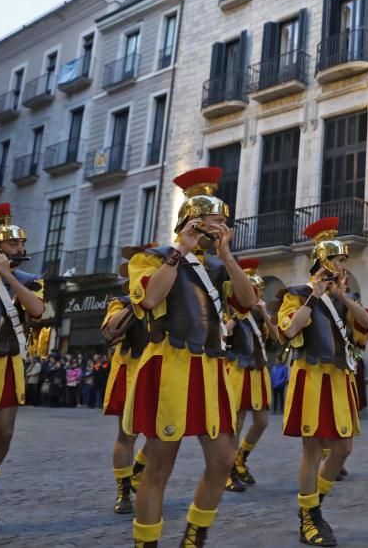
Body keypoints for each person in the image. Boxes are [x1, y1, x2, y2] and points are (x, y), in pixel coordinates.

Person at [122, 167, 258, 547]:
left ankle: (194, 536)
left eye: (223, 222)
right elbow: (150, 299)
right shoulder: (150, 258)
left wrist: (228, 255)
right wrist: (180, 251)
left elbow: (247, 302)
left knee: (222, 459)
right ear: (192, 220)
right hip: (170, 365)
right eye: (215, 220)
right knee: (159, 467)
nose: (221, 226)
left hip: (212, 368)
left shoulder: (218, 265)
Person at [278, 217, 368, 545]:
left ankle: (313, 505)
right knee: (313, 450)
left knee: (343, 448)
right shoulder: (297, 294)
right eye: (336, 260)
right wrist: (315, 295)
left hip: (339, 377)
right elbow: (290, 329)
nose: (341, 266)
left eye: (344, 261)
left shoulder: (343, 298)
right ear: (321, 262)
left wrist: (344, 297)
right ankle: (310, 515)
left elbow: (367, 324)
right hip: (312, 376)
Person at [0, 203, 46, 531]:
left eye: (22, 243)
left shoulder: (29, 279)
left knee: (4, 434)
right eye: (13, 244)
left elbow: (37, 310)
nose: (21, 248)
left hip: (7, 360)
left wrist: (8, 274)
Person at [101, 247, 150, 516]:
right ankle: (122, 490)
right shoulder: (120, 301)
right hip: (131, 367)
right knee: (127, 434)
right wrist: (136, 301)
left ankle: (138, 471)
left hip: (163, 368)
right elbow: (110, 329)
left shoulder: (170, 295)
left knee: (163, 434)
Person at [224, 259, 278, 494]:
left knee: (262, 420)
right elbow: (223, 334)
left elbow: (278, 338)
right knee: (237, 422)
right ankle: (228, 471)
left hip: (258, 370)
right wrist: (238, 315)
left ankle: (240, 457)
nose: (258, 294)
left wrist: (265, 314)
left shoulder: (260, 316)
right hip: (238, 369)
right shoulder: (233, 313)